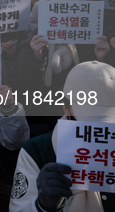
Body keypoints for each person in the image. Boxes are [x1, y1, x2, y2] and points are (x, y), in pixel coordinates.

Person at [9, 61, 115, 212]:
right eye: (90, 118)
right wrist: (43, 206)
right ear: (66, 107)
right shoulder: (36, 151)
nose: (99, 127)